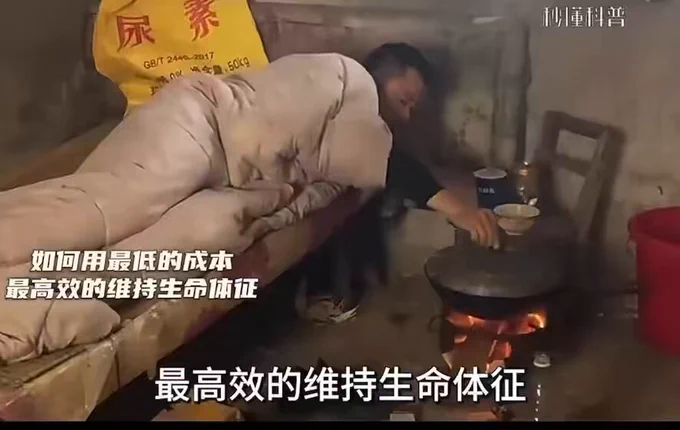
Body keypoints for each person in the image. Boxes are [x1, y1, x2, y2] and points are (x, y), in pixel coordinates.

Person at [299, 43, 500, 324]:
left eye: (412, 106)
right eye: (403, 101)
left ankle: (335, 287)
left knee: (361, 191)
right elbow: (391, 161)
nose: (406, 116)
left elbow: (388, 160)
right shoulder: (330, 93)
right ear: (371, 81)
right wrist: (457, 210)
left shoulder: (355, 107)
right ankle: (320, 294)